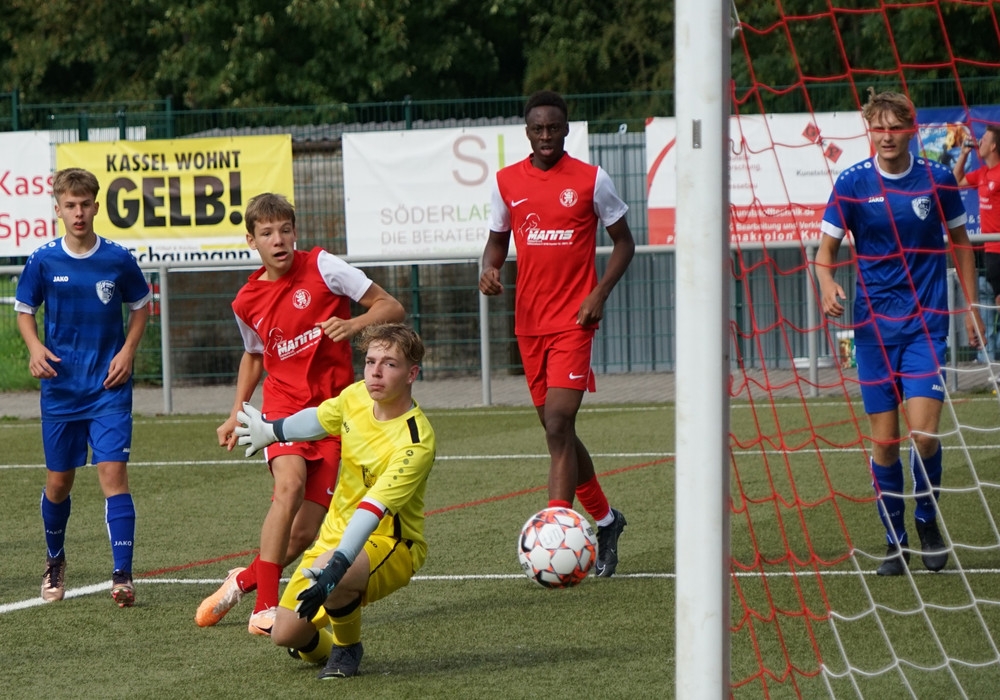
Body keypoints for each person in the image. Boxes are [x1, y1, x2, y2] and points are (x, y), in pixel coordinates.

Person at [195, 193, 404, 636]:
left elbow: (390, 306)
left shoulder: (324, 267)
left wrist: (353, 325)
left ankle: (242, 581)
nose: (278, 240)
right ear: (251, 240)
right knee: (288, 487)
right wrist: (236, 412)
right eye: (267, 233)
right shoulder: (246, 301)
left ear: (295, 233)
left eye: (285, 230)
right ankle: (264, 608)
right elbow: (254, 356)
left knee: (304, 534)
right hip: (282, 410)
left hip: (332, 415)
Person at [815, 89, 985, 576]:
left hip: (925, 327)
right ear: (870, 130)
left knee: (924, 436)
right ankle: (895, 541)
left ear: (911, 130)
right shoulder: (852, 183)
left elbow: (961, 244)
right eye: (879, 128)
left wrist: (970, 308)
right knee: (885, 443)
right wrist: (827, 282)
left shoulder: (936, 179)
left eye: (895, 127)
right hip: (873, 333)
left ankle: (927, 521)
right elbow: (824, 253)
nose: (887, 136)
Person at [478, 90, 635, 577]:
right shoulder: (506, 182)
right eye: (537, 128)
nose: (546, 135)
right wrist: (489, 270)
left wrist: (599, 294)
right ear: (527, 132)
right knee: (557, 430)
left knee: (558, 424)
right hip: (529, 324)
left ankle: (555, 533)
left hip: (575, 321)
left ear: (566, 129)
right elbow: (496, 242)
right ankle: (606, 521)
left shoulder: (592, 179)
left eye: (553, 127)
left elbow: (624, 243)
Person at [234, 323, 435, 680]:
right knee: (285, 633)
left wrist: (339, 563)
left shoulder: (415, 441)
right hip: (334, 535)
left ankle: (347, 648)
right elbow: (320, 419)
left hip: (390, 542)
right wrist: (274, 430)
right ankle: (329, 646)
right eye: (370, 361)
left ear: (411, 374)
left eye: (389, 364)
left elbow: (372, 510)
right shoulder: (356, 396)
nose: (376, 371)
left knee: (334, 572)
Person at [14, 167, 152, 607]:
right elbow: (24, 310)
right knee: (59, 483)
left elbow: (141, 305)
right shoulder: (43, 260)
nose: (78, 212)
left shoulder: (117, 258)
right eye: (70, 205)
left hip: (109, 387)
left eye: (85, 204)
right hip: (61, 388)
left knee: (113, 473)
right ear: (58, 209)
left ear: (96, 206)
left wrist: (128, 351)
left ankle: (122, 575)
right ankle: (55, 560)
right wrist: (35, 347)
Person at [953, 124, 1000, 357]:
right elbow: (955, 182)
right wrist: (963, 154)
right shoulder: (981, 174)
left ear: (993, 146)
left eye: (984, 139)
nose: (979, 142)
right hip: (992, 251)